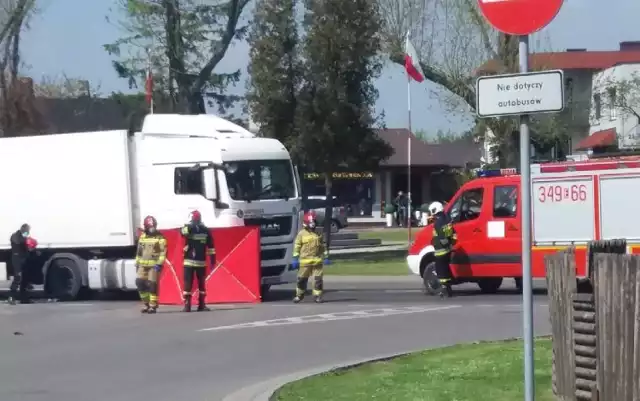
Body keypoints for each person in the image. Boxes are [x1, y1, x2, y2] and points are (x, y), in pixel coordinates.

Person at [291, 211, 330, 303]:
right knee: (302, 279)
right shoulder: (301, 234)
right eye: (311, 222)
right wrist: (295, 258)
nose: (313, 224)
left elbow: (323, 246)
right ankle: (299, 295)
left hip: (317, 261)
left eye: (314, 222)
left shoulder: (318, 233)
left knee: (318, 280)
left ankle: (317, 296)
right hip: (305, 261)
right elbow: (297, 246)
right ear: (306, 223)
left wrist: (326, 256)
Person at [180, 210, 215, 312]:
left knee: (189, 283)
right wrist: (213, 259)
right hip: (200, 261)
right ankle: (201, 305)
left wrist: (190, 225)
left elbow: (182, 232)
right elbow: (211, 247)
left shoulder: (192, 228)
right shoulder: (206, 230)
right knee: (201, 284)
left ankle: (188, 306)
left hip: (190, 261)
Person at [135, 215, 167, 314]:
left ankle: (153, 306)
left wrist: (159, 264)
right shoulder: (142, 237)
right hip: (142, 265)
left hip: (154, 266)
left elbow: (163, 252)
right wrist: (137, 263)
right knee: (140, 283)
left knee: (152, 285)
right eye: (150, 227)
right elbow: (139, 252)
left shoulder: (160, 237)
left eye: (154, 226)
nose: (152, 229)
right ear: (145, 227)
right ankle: (146, 304)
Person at [429, 201, 457, 298]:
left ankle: (444, 291)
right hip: (448, 250)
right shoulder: (447, 219)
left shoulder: (438, 222)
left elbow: (441, 237)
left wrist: (444, 244)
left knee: (441, 272)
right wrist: (451, 244)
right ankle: (448, 289)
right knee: (446, 270)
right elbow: (454, 233)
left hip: (441, 250)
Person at [8, 224, 36, 305]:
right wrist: (27, 241)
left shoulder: (24, 237)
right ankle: (11, 297)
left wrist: (31, 245)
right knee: (18, 278)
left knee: (25, 279)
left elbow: (28, 248)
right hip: (17, 260)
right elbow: (19, 242)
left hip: (23, 259)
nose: (28, 232)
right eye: (27, 231)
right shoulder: (15, 236)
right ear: (23, 229)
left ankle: (24, 299)